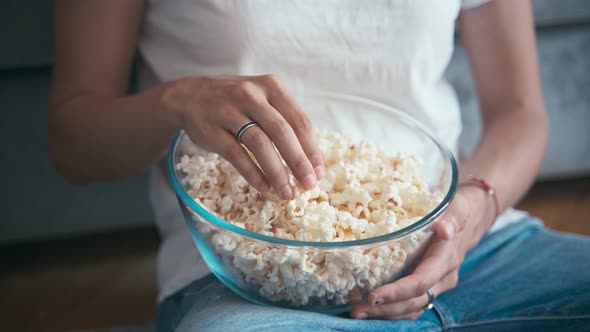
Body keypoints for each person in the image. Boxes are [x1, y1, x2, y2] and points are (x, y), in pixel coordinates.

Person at [49, 0, 590, 331]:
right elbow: (74, 143)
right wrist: (179, 99)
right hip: (252, 278)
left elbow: (519, 112)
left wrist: (475, 209)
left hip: (469, 246)